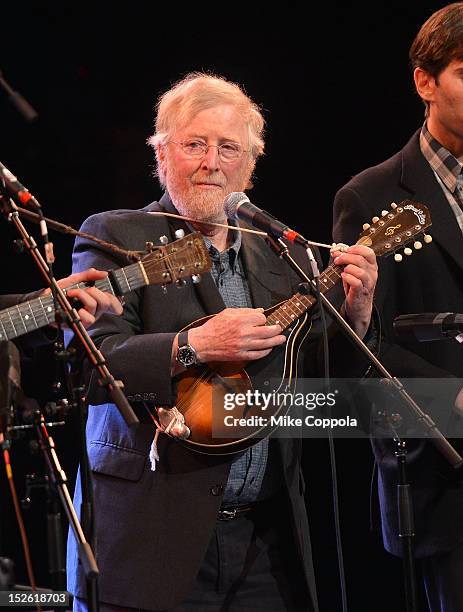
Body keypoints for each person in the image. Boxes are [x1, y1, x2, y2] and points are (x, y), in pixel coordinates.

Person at [66, 72, 378, 611]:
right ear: (162, 154)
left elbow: (320, 385)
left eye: (228, 147)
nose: (211, 162)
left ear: (250, 168)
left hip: (266, 544)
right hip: (151, 540)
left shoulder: (286, 257)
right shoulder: (116, 234)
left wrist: (357, 313)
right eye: (194, 144)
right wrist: (193, 345)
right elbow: (92, 367)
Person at [333, 4, 463, 611]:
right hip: (444, 476)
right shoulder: (371, 195)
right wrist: (453, 399)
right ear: (424, 81)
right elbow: (359, 345)